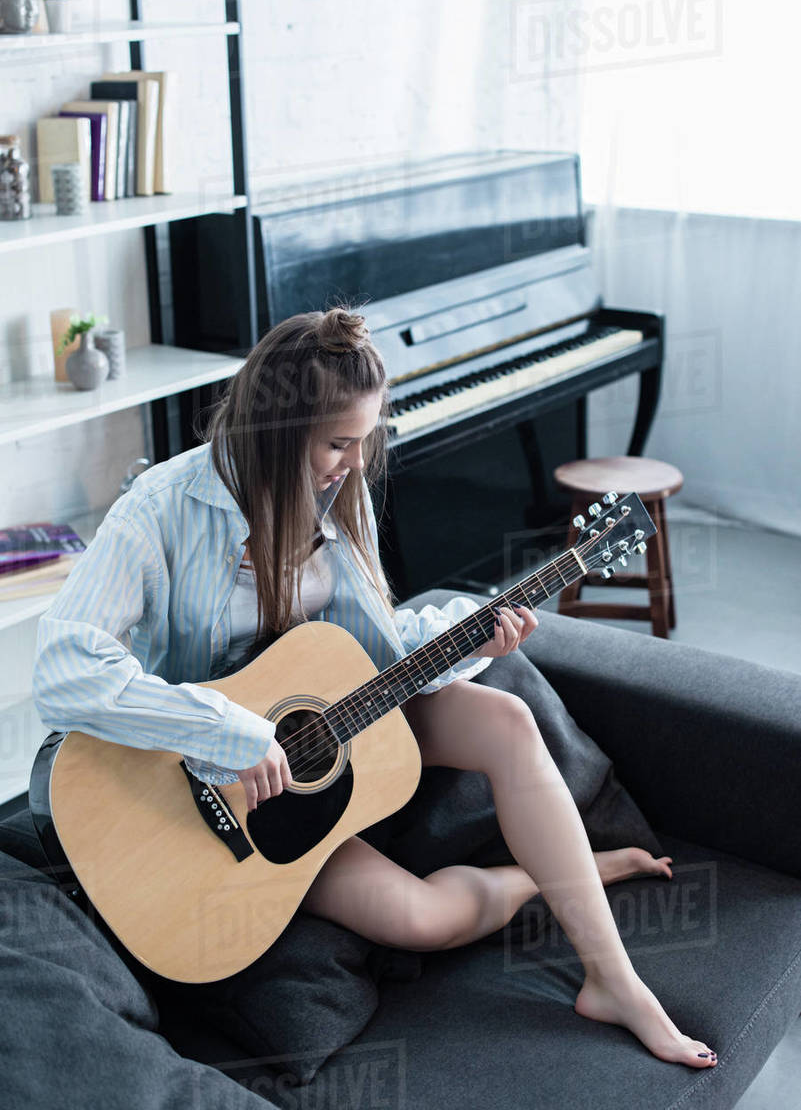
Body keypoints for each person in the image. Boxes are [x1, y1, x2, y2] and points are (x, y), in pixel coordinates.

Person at [33, 305, 717, 1069]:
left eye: (363, 440)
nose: (355, 464)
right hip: (203, 800)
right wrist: (230, 729)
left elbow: (370, 654)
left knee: (504, 719)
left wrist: (468, 639)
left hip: (324, 740)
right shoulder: (159, 509)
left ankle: (613, 979)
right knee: (420, 920)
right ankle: (554, 876)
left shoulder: (335, 493)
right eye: (337, 443)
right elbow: (63, 669)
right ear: (274, 432)